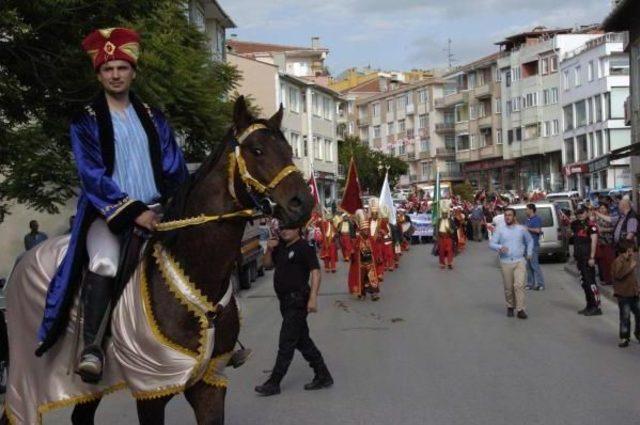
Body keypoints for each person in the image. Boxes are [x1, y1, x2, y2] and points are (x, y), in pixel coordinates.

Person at [36, 28, 190, 382]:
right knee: (104, 263)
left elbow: (173, 166)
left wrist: (176, 202)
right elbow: (92, 176)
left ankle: (217, 334)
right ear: (99, 74)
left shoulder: (154, 116)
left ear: (133, 71)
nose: (116, 75)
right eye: (108, 69)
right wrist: (136, 212)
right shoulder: (85, 120)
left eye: (122, 67)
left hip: (159, 211)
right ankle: (93, 348)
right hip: (108, 216)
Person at [255, 227, 333, 396]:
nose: (285, 231)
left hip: (298, 301)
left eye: (289, 228)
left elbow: (316, 272)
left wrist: (313, 298)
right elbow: (267, 265)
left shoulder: (305, 247)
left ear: (298, 229)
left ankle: (274, 383)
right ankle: (323, 375)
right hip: (284, 301)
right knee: (302, 340)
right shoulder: (280, 247)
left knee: (286, 341)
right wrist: (269, 248)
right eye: (282, 228)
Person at [489, 208, 533, 319]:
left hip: (519, 261)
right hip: (505, 262)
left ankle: (520, 309)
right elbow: (492, 243)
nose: (507, 217)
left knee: (519, 286)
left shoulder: (521, 229)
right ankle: (510, 306)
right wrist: (500, 247)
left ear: (514, 217)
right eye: (506, 215)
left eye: (509, 215)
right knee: (508, 287)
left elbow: (530, 240)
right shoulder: (500, 230)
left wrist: (529, 252)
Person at [571, 206, 602, 316]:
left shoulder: (591, 226)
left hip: (587, 258)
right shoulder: (575, 224)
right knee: (584, 283)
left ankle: (596, 306)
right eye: (578, 212)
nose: (580, 214)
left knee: (591, 283)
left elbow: (594, 242)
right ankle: (589, 305)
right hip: (579, 258)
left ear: (586, 213)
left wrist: (592, 257)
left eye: (582, 212)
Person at [611, 239, 640, 347]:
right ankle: (624, 337)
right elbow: (618, 275)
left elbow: (635, 276)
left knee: (639, 314)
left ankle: (638, 333)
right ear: (625, 250)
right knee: (625, 316)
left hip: (634, 293)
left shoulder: (632, 259)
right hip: (623, 295)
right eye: (631, 250)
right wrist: (630, 267)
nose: (632, 252)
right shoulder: (618, 261)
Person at [348, 210, 380, 300]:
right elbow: (353, 250)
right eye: (364, 230)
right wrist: (353, 252)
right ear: (361, 231)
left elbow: (376, 249)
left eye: (367, 230)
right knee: (361, 279)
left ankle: (374, 294)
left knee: (372, 278)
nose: (366, 231)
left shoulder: (371, 239)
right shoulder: (358, 240)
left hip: (370, 261)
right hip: (361, 263)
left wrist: (377, 257)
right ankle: (362, 293)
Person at [524, 204, 545, 290]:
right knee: (528, 266)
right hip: (526, 246)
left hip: (533, 245)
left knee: (534, 265)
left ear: (531, 210)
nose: (525, 211)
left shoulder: (536, 219)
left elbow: (538, 230)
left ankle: (541, 284)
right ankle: (530, 284)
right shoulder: (528, 219)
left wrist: (527, 229)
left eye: (526, 209)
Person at [594, 204, 615, 285]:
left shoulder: (610, 217)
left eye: (604, 208)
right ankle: (605, 279)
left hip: (609, 242)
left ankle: (612, 279)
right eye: (600, 208)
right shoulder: (597, 218)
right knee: (602, 262)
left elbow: (614, 228)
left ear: (607, 209)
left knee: (610, 261)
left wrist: (604, 230)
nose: (602, 209)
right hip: (600, 242)